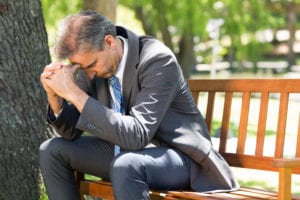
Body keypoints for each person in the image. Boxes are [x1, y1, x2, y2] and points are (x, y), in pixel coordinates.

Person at [39, 10, 239, 200]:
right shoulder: (91, 67)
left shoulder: (156, 59)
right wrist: (55, 97)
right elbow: (70, 133)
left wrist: (73, 92)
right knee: (52, 150)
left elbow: (136, 136)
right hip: (126, 155)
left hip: (180, 157)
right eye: (82, 67)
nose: (88, 74)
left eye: (91, 65)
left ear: (109, 42)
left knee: (126, 164)